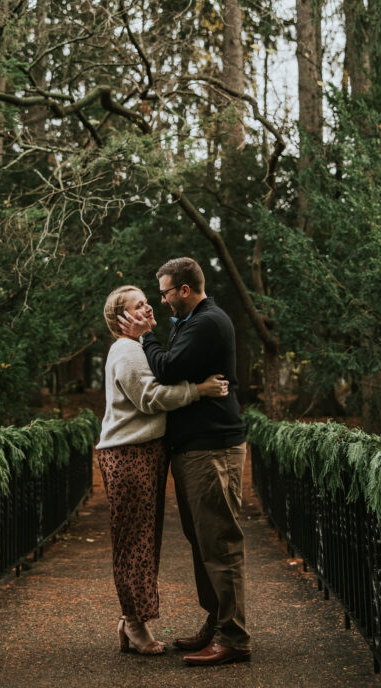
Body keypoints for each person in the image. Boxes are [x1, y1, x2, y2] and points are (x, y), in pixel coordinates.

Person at [119, 257, 251, 666]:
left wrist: (144, 338)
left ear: (186, 290)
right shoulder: (191, 322)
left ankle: (234, 639)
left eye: (165, 292)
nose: (161, 300)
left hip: (213, 448)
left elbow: (167, 369)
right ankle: (216, 623)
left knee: (220, 543)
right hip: (195, 448)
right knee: (202, 542)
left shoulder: (207, 322)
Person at [97, 284, 229, 656]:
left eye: (147, 301)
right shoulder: (126, 350)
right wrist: (199, 389)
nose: (149, 307)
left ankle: (130, 621)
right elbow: (151, 398)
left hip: (142, 452)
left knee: (142, 539)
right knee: (135, 543)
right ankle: (136, 625)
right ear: (122, 320)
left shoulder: (137, 348)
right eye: (139, 305)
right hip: (129, 454)